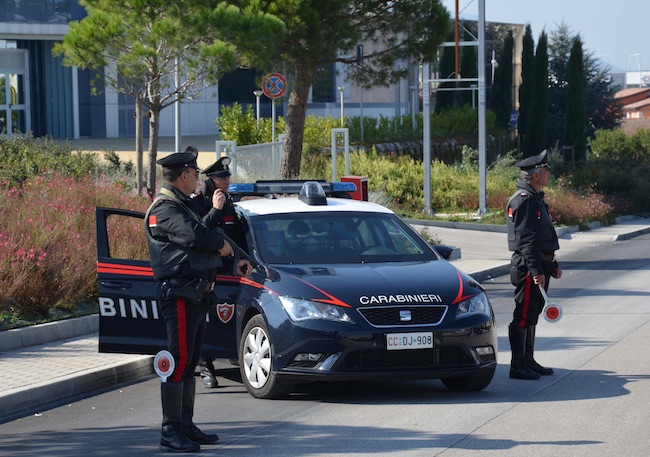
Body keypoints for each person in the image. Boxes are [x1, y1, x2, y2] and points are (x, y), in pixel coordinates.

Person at [145, 149, 252, 452]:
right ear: (182, 176)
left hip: (195, 293)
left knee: (189, 363)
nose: (197, 179)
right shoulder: (164, 209)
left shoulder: (183, 205)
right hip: (179, 293)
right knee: (178, 363)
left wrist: (237, 258)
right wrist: (222, 247)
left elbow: (207, 232)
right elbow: (197, 237)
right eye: (193, 174)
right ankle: (170, 430)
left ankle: (185, 424)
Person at [191, 155, 249, 389]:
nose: (226, 181)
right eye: (221, 177)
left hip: (231, 271)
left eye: (227, 177)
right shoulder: (198, 202)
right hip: (208, 271)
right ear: (211, 179)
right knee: (206, 318)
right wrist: (215, 209)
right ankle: (206, 366)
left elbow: (236, 234)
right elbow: (199, 233)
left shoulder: (230, 200)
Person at [506, 149, 562, 380]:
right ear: (535, 175)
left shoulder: (535, 199)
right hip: (530, 267)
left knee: (533, 314)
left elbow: (542, 236)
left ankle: (528, 360)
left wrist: (553, 263)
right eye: (546, 169)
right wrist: (537, 270)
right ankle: (517, 365)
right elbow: (526, 240)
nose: (549, 173)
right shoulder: (525, 201)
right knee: (523, 315)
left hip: (540, 265)